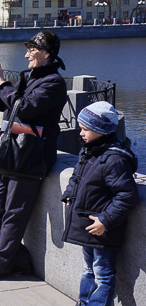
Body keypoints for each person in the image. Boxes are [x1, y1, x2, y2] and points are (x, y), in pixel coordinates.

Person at [0, 30, 68, 283]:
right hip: (12, 149)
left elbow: (23, 108)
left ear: (47, 54)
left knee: (15, 210)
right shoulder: (29, 77)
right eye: (26, 50)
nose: (26, 55)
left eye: (32, 50)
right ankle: (20, 259)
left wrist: (3, 83)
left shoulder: (54, 83)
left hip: (33, 154)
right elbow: (1, 105)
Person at [61, 101, 138, 306]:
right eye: (81, 128)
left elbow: (127, 195)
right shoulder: (89, 151)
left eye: (86, 129)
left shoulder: (114, 160)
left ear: (101, 130)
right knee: (88, 269)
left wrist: (105, 220)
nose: (81, 133)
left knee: (102, 274)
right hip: (88, 225)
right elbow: (76, 177)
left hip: (104, 230)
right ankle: (84, 301)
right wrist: (68, 195)